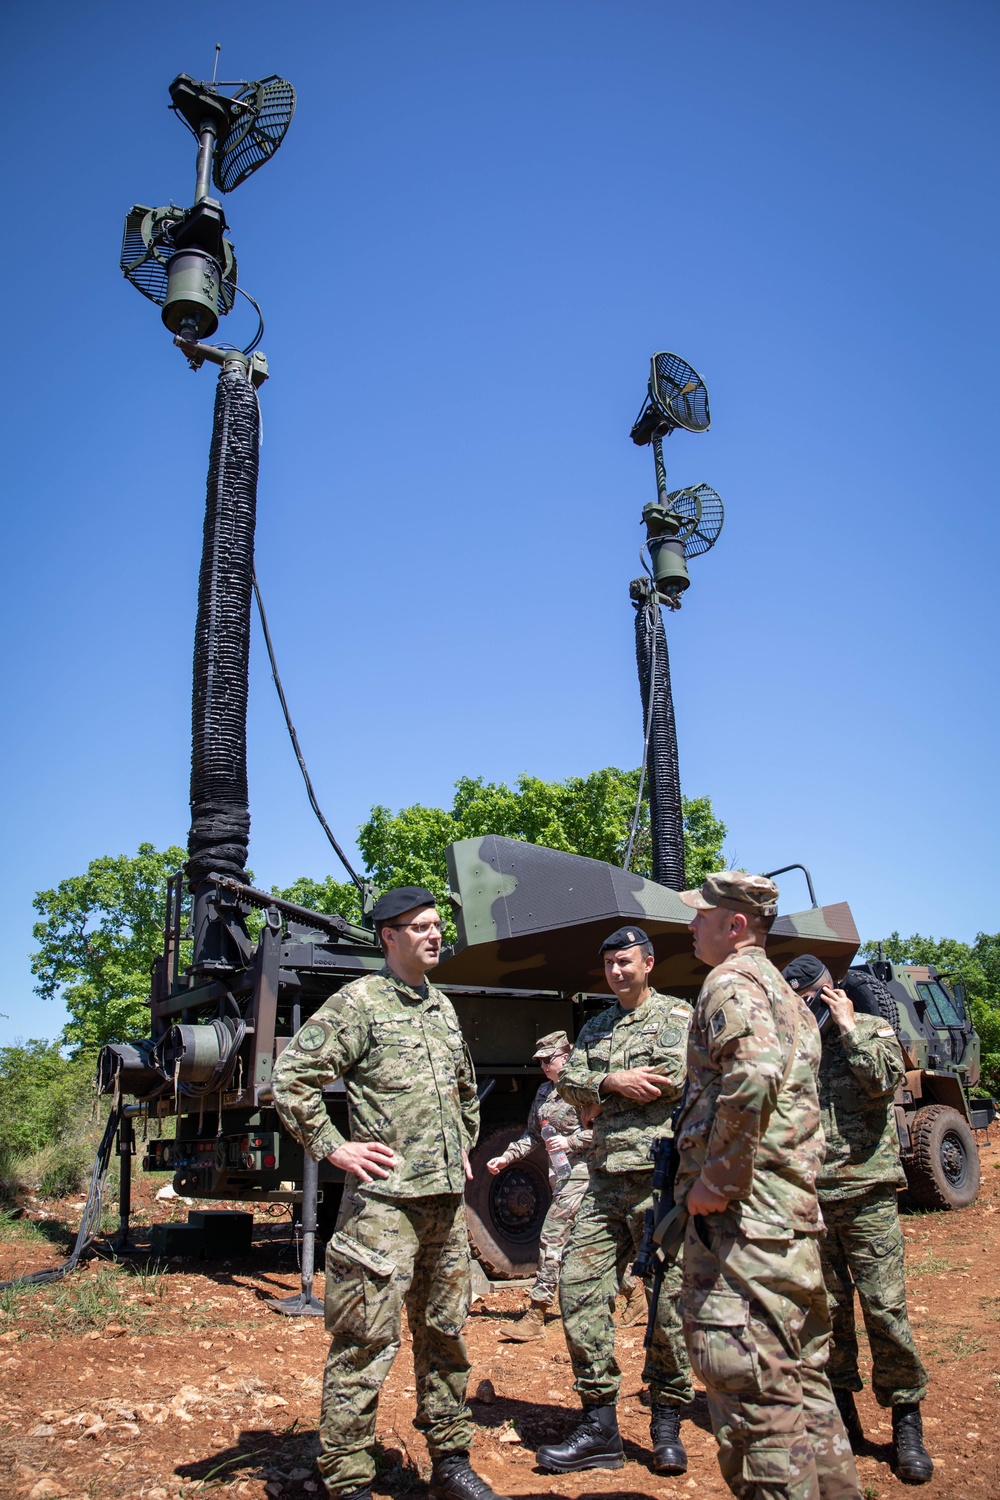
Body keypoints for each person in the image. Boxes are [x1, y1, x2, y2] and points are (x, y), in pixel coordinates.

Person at [271, 886, 505, 1500]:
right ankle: (348, 1476)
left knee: (446, 1334)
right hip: (383, 1208)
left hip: (446, 1206)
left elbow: (464, 1087)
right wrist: (333, 1147)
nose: (435, 935)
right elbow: (292, 1080)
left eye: (437, 926)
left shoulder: (442, 1007)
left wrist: (461, 1142)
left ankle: (451, 1462)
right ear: (389, 937)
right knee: (365, 1339)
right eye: (421, 927)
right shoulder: (359, 1005)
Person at [675, 871, 861, 1500]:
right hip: (789, 1222)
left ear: (736, 925)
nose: (691, 925)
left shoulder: (729, 981)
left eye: (702, 916)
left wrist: (716, 1179)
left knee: (756, 1401)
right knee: (806, 1389)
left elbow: (751, 1077)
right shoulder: (785, 994)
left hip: (744, 1229)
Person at [534, 926, 695, 1477]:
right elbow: (570, 1085)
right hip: (603, 1179)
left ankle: (667, 1419)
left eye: (626, 962)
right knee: (577, 1290)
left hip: (659, 1180)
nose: (616, 972)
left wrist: (603, 1087)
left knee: (668, 1307)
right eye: (609, 965)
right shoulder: (597, 1026)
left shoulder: (678, 1017)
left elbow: (671, 1079)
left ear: (648, 963)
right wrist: (613, 1080)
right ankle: (600, 1424)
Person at [783, 955, 932, 1483]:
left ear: (829, 993)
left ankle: (906, 1422)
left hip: (867, 1192)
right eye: (795, 1001)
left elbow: (883, 1081)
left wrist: (846, 1027)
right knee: (827, 1316)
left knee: (886, 1309)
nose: (805, 1010)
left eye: (811, 1000)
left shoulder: (870, 1028)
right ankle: (843, 1417)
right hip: (811, 1198)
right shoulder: (791, 1046)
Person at [486, 1030, 593, 1340]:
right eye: (540, 1062)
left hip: (586, 1172)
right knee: (584, 1238)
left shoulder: (584, 1089)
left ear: (566, 1056)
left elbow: (603, 1132)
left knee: (553, 1234)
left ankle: (536, 1312)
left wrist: (571, 1141)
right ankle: (631, 1293)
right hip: (559, 1176)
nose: (545, 1066)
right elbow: (533, 1135)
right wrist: (505, 1158)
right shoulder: (545, 1092)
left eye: (549, 1060)